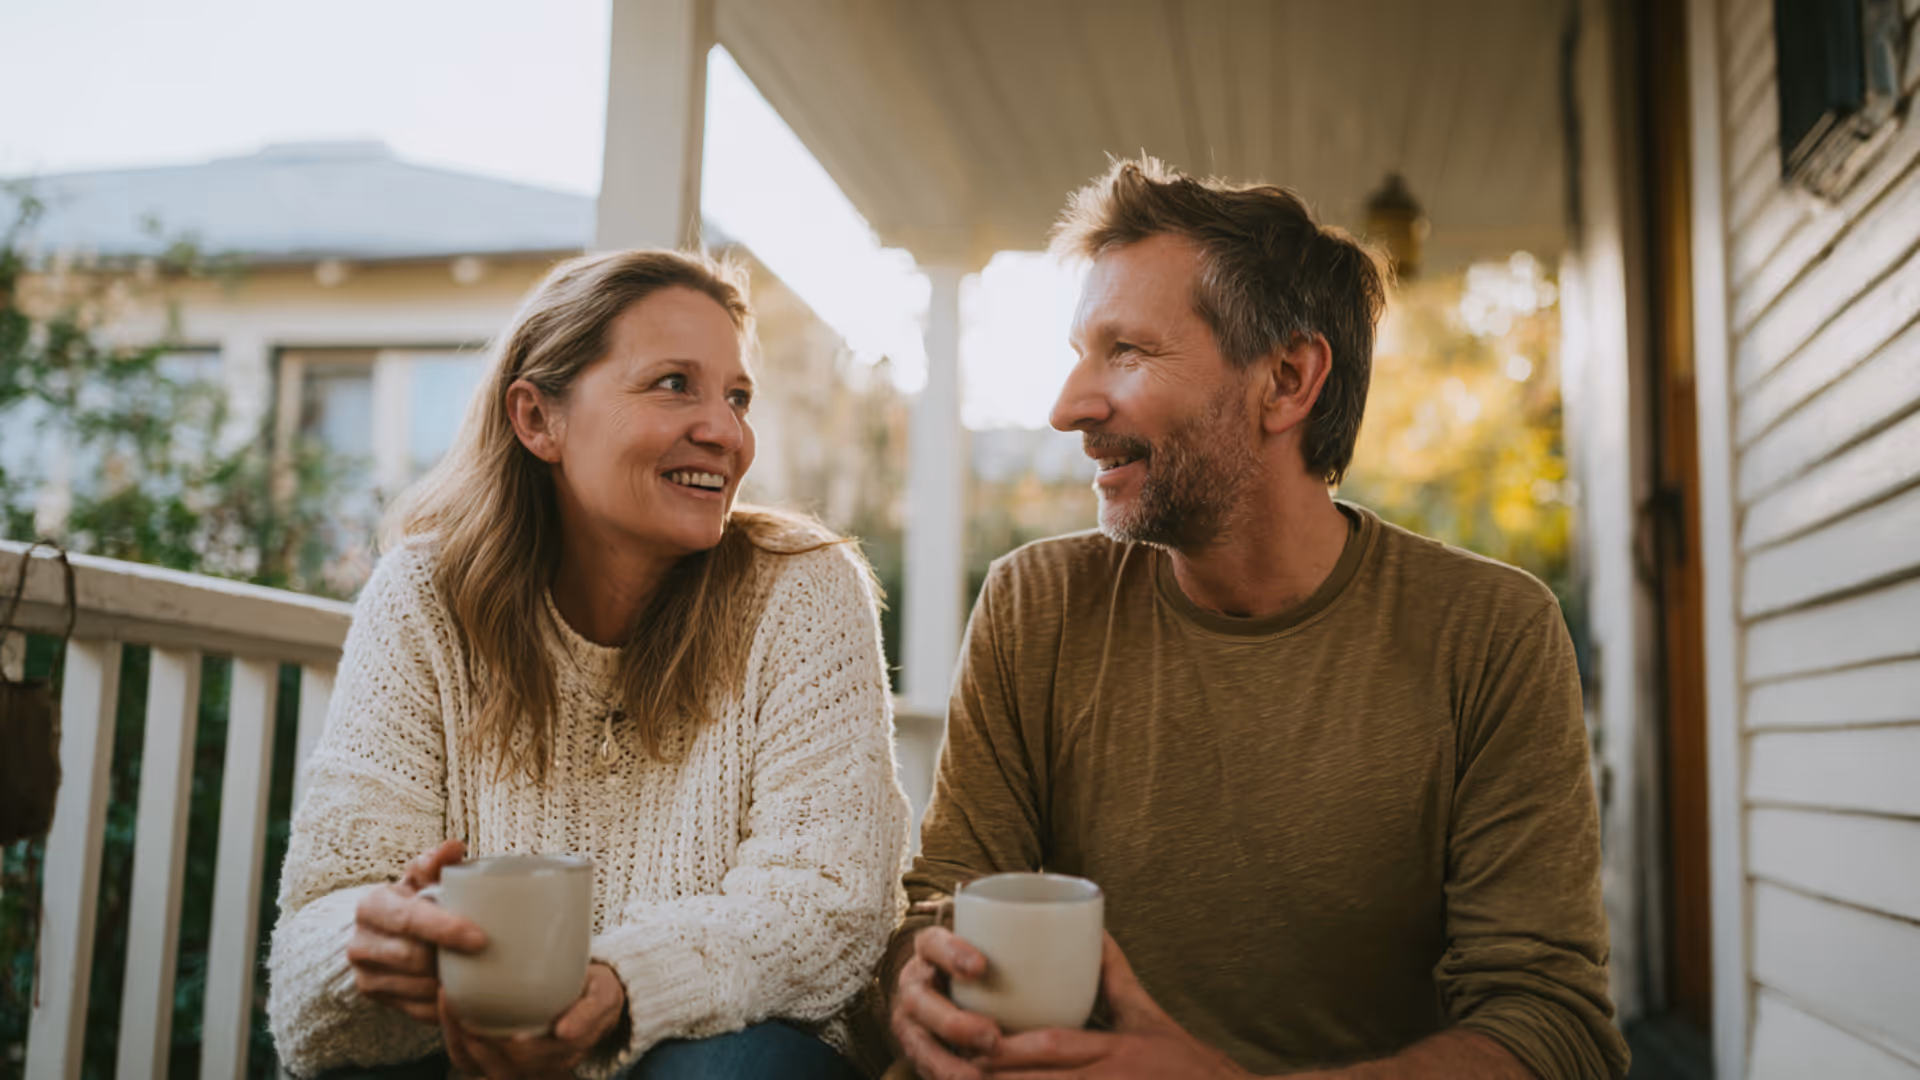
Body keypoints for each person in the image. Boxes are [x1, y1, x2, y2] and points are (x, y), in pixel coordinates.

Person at [883, 158, 1630, 1080]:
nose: (1069, 407)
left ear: (1286, 380)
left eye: (1126, 352)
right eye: (1081, 353)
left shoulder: (1491, 633)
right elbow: (939, 912)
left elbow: (1552, 1029)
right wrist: (915, 982)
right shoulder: (1035, 604)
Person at [268, 249, 910, 1079]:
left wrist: (622, 985)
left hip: (705, 1051)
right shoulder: (423, 597)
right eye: (674, 383)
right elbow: (316, 931)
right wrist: (379, 939)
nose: (726, 431)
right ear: (538, 420)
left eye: (737, 396)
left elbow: (831, 901)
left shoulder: (804, 590)